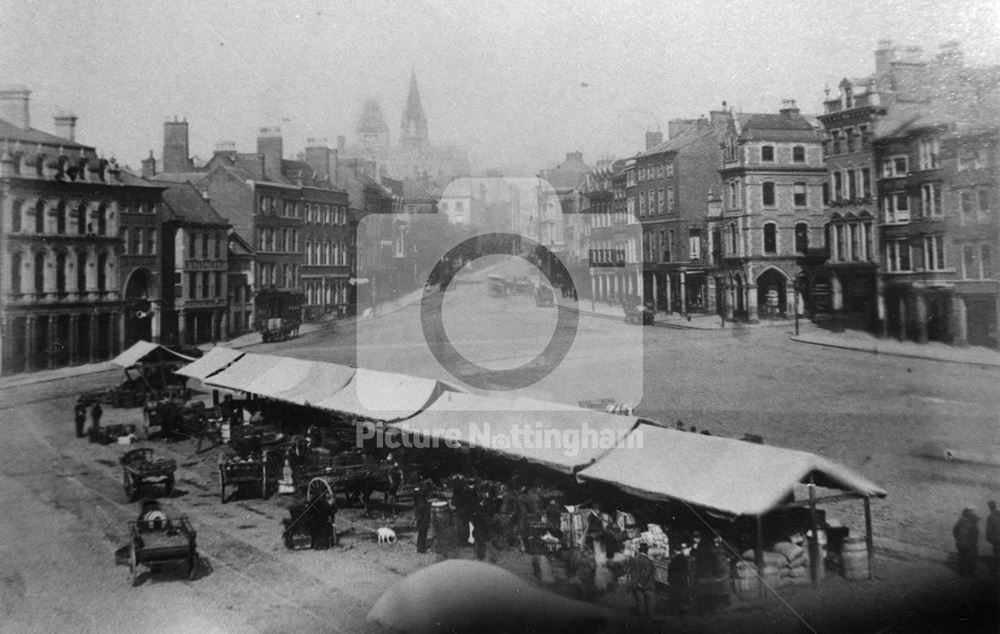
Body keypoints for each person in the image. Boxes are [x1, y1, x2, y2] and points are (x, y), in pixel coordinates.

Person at [626, 543, 657, 619]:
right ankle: (650, 620)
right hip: (647, 584)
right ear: (647, 551)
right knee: (650, 602)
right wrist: (641, 583)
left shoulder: (635, 559)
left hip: (636, 584)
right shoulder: (647, 560)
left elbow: (631, 572)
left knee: (640, 603)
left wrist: (633, 584)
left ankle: (642, 621)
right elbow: (648, 572)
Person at [667, 543, 692, 615]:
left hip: (675, 581)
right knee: (681, 597)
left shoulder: (674, 559)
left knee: (674, 597)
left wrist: (669, 579)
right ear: (681, 550)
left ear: (674, 550)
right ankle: (682, 612)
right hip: (682, 580)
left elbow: (670, 570)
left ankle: (674, 612)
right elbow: (687, 570)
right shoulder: (684, 559)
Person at [953, 508, 980, 577]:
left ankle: (961, 572)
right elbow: (974, 535)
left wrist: (958, 539)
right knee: (971, 558)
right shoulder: (970, 523)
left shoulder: (960, 521)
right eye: (969, 513)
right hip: (968, 544)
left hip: (961, 543)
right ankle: (970, 573)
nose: (971, 514)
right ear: (966, 514)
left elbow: (955, 531)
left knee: (962, 558)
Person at [414, 489, 431, 554]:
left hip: (422, 519)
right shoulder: (421, 502)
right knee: (423, 534)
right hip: (423, 520)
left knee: (422, 534)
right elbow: (420, 512)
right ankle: (421, 548)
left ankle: (420, 547)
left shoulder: (419, 501)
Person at [987, 501, 1000, 576]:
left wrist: (988, 538)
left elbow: (989, 529)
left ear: (989, 507)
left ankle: (995, 569)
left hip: (996, 539)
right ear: (995, 506)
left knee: (996, 555)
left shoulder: (990, 516)